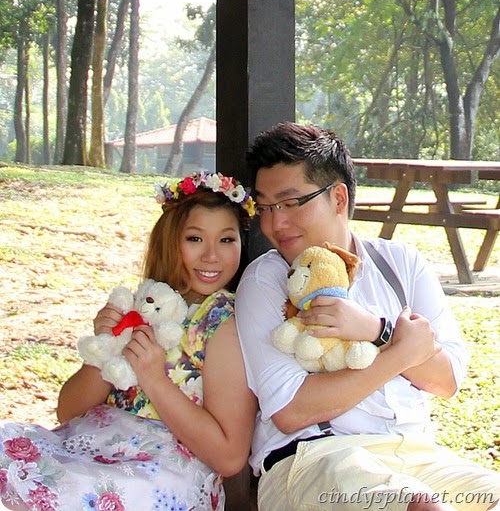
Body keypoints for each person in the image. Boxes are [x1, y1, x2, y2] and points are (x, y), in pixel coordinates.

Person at [235, 122, 500, 511]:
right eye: (266, 207)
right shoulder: (266, 281)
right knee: (421, 507)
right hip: (314, 458)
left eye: (290, 203)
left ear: (338, 198)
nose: (275, 223)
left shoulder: (401, 263)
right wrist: (399, 354)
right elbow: (292, 411)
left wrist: (376, 330)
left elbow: (446, 381)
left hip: (417, 455)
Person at [0, 171, 257, 511]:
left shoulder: (222, 323)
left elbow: (229, 456)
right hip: (94, 445)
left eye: (227, 240)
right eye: (195, 238)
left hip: (160, 472)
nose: (212, 255)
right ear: (169, 241)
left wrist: (154, 379)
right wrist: (105, 348)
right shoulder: (143, 306)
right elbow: (69, 411)